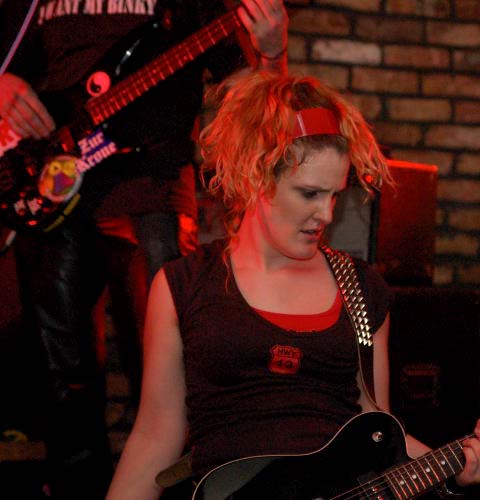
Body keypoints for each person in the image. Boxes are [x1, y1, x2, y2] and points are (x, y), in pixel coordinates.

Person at [105, 70, 480, 499]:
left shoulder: (361, 289)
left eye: (335, 195)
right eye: (310, 194)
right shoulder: (183, 284)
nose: (327, 215)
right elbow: (155, 437)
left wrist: (456, 470)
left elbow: (380, 436)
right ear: (255, 176)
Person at [0, 1, 288, 498]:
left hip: (152, 192)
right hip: (52, 187)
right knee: (62, 376)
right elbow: (11, 61)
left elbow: (252, 103)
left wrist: (273, 54)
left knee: (167, 370)